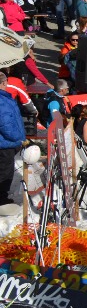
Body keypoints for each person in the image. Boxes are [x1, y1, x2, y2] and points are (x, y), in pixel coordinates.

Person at [0, 72, 24, 213]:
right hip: (5, 144)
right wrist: (18, 138)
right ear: (4, 83)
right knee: (5, 172)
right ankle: (2, 199)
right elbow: (5, 124)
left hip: (4, 142)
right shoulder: (2, 100)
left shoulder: (4, 98)